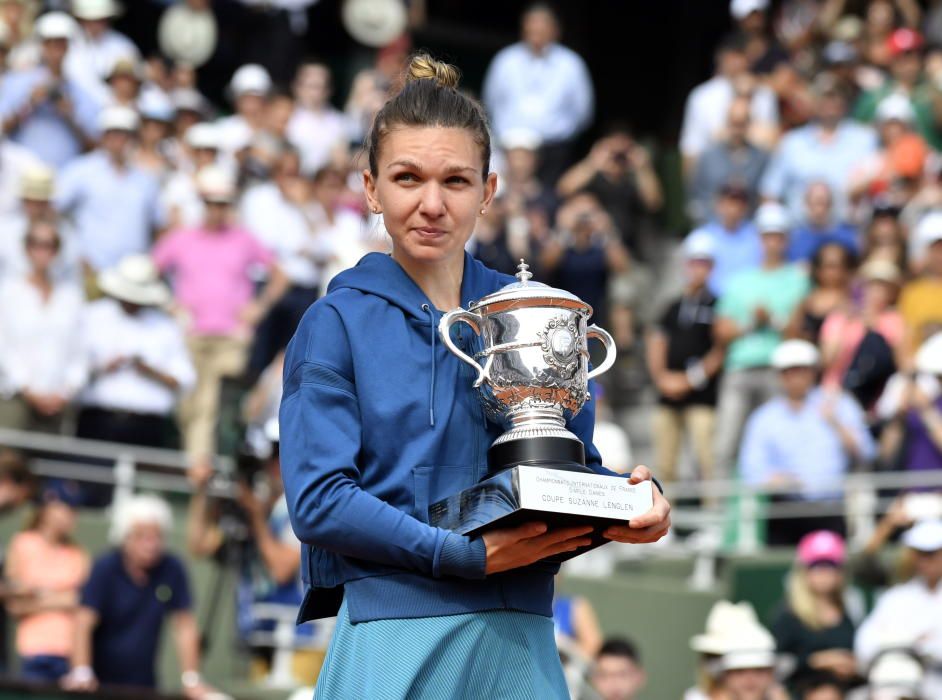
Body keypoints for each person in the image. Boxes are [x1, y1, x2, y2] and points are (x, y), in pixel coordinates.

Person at [279, 53, 670, 699]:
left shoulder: (540, 314)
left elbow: (560, 475)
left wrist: (627, 506)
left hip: (518, 639)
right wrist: (466, 557)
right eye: (407, 178)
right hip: (393, 636)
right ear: (372, 188)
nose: (431, 204)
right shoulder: (334, 323)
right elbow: (320, 502)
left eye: (456, 181)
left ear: (488, 192)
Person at [153, 165, 287, 465]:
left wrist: (258, 308)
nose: (217, 210)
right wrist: (170, 304)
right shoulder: (182, 238)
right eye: (213, 204)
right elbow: (152, 271)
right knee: (191, 405)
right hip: (190, 334)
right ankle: (202, 465)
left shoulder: (243, 239)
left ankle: (199, 467)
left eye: (222, 204)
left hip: (230, 337)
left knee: (208, 403)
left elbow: (280, 275)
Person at [187, 418, 319, 684]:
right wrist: (203, 492)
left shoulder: (299, 507)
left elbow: (281, 569)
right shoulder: (257, 509)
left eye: (278, 454)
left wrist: (257, 518)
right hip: (260, 639)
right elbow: (199, 545)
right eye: (269, 457)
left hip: (299, 640)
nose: (272, 466)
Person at [62, 494, 217, 698]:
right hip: (100, 685)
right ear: (125, 537)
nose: (151, 544)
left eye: (157, 537)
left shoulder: (172, 568)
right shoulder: (105, 567)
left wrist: (192, 679)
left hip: (144, 686)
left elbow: (184, 625)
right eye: (143, 536)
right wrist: (82, 671)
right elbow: (83, 621)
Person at [738, 340, 875, 543]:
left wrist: (835, 423)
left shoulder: (838, 403)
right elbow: (751, 469)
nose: (795, 378)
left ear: (813, 373)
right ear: (780, 376)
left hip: (831, 509)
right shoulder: (764, 418)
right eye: (788, 372)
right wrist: (776, 479)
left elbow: (867, 451)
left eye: (802, 371)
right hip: (785, 512)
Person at [713, 202, 810, 478]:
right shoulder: (739, 280)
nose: (772, 242)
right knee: (726, 445)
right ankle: (720, 514)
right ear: (759, 239)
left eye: (778, 236)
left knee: (777, 445)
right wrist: (753, 323)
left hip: (777, 370)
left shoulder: (797, 279)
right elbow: (721, 331)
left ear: (786, 239)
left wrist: (772, 320)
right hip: (740, 369)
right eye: (768, 236)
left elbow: (796, 332)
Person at [77, 255, 195, 454]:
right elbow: (71, 371)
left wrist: (150, 371)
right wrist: (103, 368)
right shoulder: (92, 317)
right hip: (98, 420)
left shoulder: (165, 327)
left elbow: (184, 380)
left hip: (147, 426)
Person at [482, 3, 594, 185]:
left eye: (542, 26)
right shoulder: (505, 60)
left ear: (555, 30)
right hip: (509, 150)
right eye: (532, 25)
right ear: (523, 27)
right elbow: (490, 103)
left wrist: (559, 137)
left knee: (545, 204)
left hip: (553, 152)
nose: (536, 31)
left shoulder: (571, 64)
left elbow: (583, 112)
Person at [646, 232, 724, 486]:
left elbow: (720, 348)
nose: (697, 269)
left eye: (703, 263)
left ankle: (712, 516)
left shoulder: (718, 304)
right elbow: (656, 340)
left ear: (711, 267)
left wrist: (690, 380)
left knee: (706, 458)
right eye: (694, 262)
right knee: (665, 461)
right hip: (668, 395)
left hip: (702, 396)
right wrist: (662, 379)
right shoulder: (673, 306)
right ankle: (668, 518)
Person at [55, 105, 163, 274]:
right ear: (103, 137)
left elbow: (157, 227)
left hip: (132, 275)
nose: (118, 140)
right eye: (113, 134)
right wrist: (73, 251)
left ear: (133, 139)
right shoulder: (80, 171)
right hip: (90, 271)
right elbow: (53, 210)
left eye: (124, 135)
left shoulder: (146, 180)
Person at [0, 219, 85, 433]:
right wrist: (27, 389)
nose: (42, 252)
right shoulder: (9, 293)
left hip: (58, 402)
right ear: (26, 248)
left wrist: (65, 392)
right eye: (36, 244)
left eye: (49, 245)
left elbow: (80, 350)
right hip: (15, 397)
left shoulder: (71, 297)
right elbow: (4, 347)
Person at [760, 73, 877, 223]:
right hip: (800, 231)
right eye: (825, 97)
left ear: (844, 101)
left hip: (849, 230)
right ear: (814, 101)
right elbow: (770, 192)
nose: (830, 103)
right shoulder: (792, 143)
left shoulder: (865, 140)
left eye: (835, 97)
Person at [4, 492, 88, 684]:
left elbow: (82, 601)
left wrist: (38, 595)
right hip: (31, 651)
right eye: (66, 508)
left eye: (74, 510)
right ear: (48, 509)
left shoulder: (78, 554)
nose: (71, 516)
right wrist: (62, 597)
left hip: (70, 653)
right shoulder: (23, 544)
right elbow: (16, 605)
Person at [0, 11, 100, 168]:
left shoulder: (81, 91)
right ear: (42, 45)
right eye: (50, 43)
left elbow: (95, 145)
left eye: (61, 43)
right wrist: (29, 103)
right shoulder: (16, 82)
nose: (56, 49)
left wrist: (70, 115)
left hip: (64, 174)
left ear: (68, 47)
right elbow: (2, 128)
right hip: (23, 176)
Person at [855, 519, 942, 699]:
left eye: (932, 553)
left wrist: (925, 646)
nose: (925, 560)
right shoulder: (896, 597)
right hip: (900, 683)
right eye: (920, 553)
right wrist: (912, 644)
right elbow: (866, 643)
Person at [771, 530, 860, 692]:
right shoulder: (788, 614)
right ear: (803, 571)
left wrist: (850, 665)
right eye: (816, 565)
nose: (824, 573)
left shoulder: (849, 608)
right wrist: (819, 660)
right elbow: (776, 664)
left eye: (831, 565)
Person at [679, 34, 779, 174]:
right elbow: (691, 151)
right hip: (715, 180)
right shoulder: (702, 97)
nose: (738, 62)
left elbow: (771, 142)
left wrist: (726, 134)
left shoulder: (765, 95)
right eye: (734, 56)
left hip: (754, 179)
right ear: (723, 58)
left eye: (743, 56)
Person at [556, 126, 662, 257]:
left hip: (627, 252)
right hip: (591, 247)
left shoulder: (635, 178)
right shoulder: (591, 176)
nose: (617, 157)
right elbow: (563, 189)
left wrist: (643, 167)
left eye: (622, 152)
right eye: (613, 151)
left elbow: (654, 203)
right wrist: (593, 161)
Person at [819, 258, 904, 408]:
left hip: (877, 399)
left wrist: (874, 328)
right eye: (871, 285)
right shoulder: (840, 317)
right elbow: (827, 361)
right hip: (838, 395)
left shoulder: (895, 320)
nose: (875, 290)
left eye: (882, 286)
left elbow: (902, 364)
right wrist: (845, 323)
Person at [688, 97, 770, 226]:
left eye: (741, 124)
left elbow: (766, 198)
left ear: (749, 124)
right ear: (726, 123)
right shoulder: (708, 156)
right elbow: (696, 197)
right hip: (713, 227)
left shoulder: (761, 159)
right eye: (733, 123)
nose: (737, 130)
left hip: (750, 229)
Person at [684, 182, 762, 297]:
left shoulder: (757, 237)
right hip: (711, 302)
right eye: (729, 203)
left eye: (738, 204)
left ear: (746, 208)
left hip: (747, 301)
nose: (733, 209)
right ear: (718, 205)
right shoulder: (701, 237)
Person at [65, 0, 140, 105]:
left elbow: (133, 86)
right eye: (89, 20)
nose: (95, 25)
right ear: (81, 20)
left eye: (100, 20)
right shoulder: (69, 45)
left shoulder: (123, 46)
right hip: (76, 111)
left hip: (115, 111)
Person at [784, 242, 857, 345]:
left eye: (838, 266)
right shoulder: (807, 301)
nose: (833, 272)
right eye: (827, 266)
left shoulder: (853, 300)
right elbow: (790, 331)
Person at [286, 61, 350, 175]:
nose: (316, 93)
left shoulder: (339, 122)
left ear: (329, 90)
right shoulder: (285, 117)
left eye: (321, 87)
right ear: (297, 87)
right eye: (311, 86)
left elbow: (341, 161)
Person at [899, 212, 942, 363]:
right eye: (935, 249)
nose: (939, 255)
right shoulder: (912, 292)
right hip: (920, 367)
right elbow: (906, 336)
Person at [788, 182, 860, 264]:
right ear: (807, 203)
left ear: (830, 203)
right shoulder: (796, 239)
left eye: (823, 202)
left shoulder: (846, 236)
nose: (820, 208)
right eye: (816, 202)